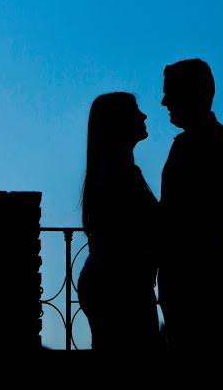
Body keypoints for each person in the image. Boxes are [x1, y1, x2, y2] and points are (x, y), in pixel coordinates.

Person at [157, 58, 223, 352]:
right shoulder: (216, 138)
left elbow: (178, 215)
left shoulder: (196, 143)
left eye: (170, 92)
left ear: (191, 93)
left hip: (192, 280)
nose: (164, 101)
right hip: (200, 276)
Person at [76, 92, 162, 351]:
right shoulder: (117, 174)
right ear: (118, 121)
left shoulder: (115, 171)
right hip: (120, 286)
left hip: (115, 282)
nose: (143, 116)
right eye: (135, 110)